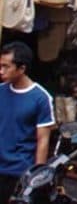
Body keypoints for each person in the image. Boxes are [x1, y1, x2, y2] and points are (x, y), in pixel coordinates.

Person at [0, 42, 55, 204]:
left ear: (21, 69)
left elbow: (43, 140)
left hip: (19, 172)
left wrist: (37, 179)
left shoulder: (40, 98)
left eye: (6, 66)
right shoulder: (0, 91)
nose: (1, 71)